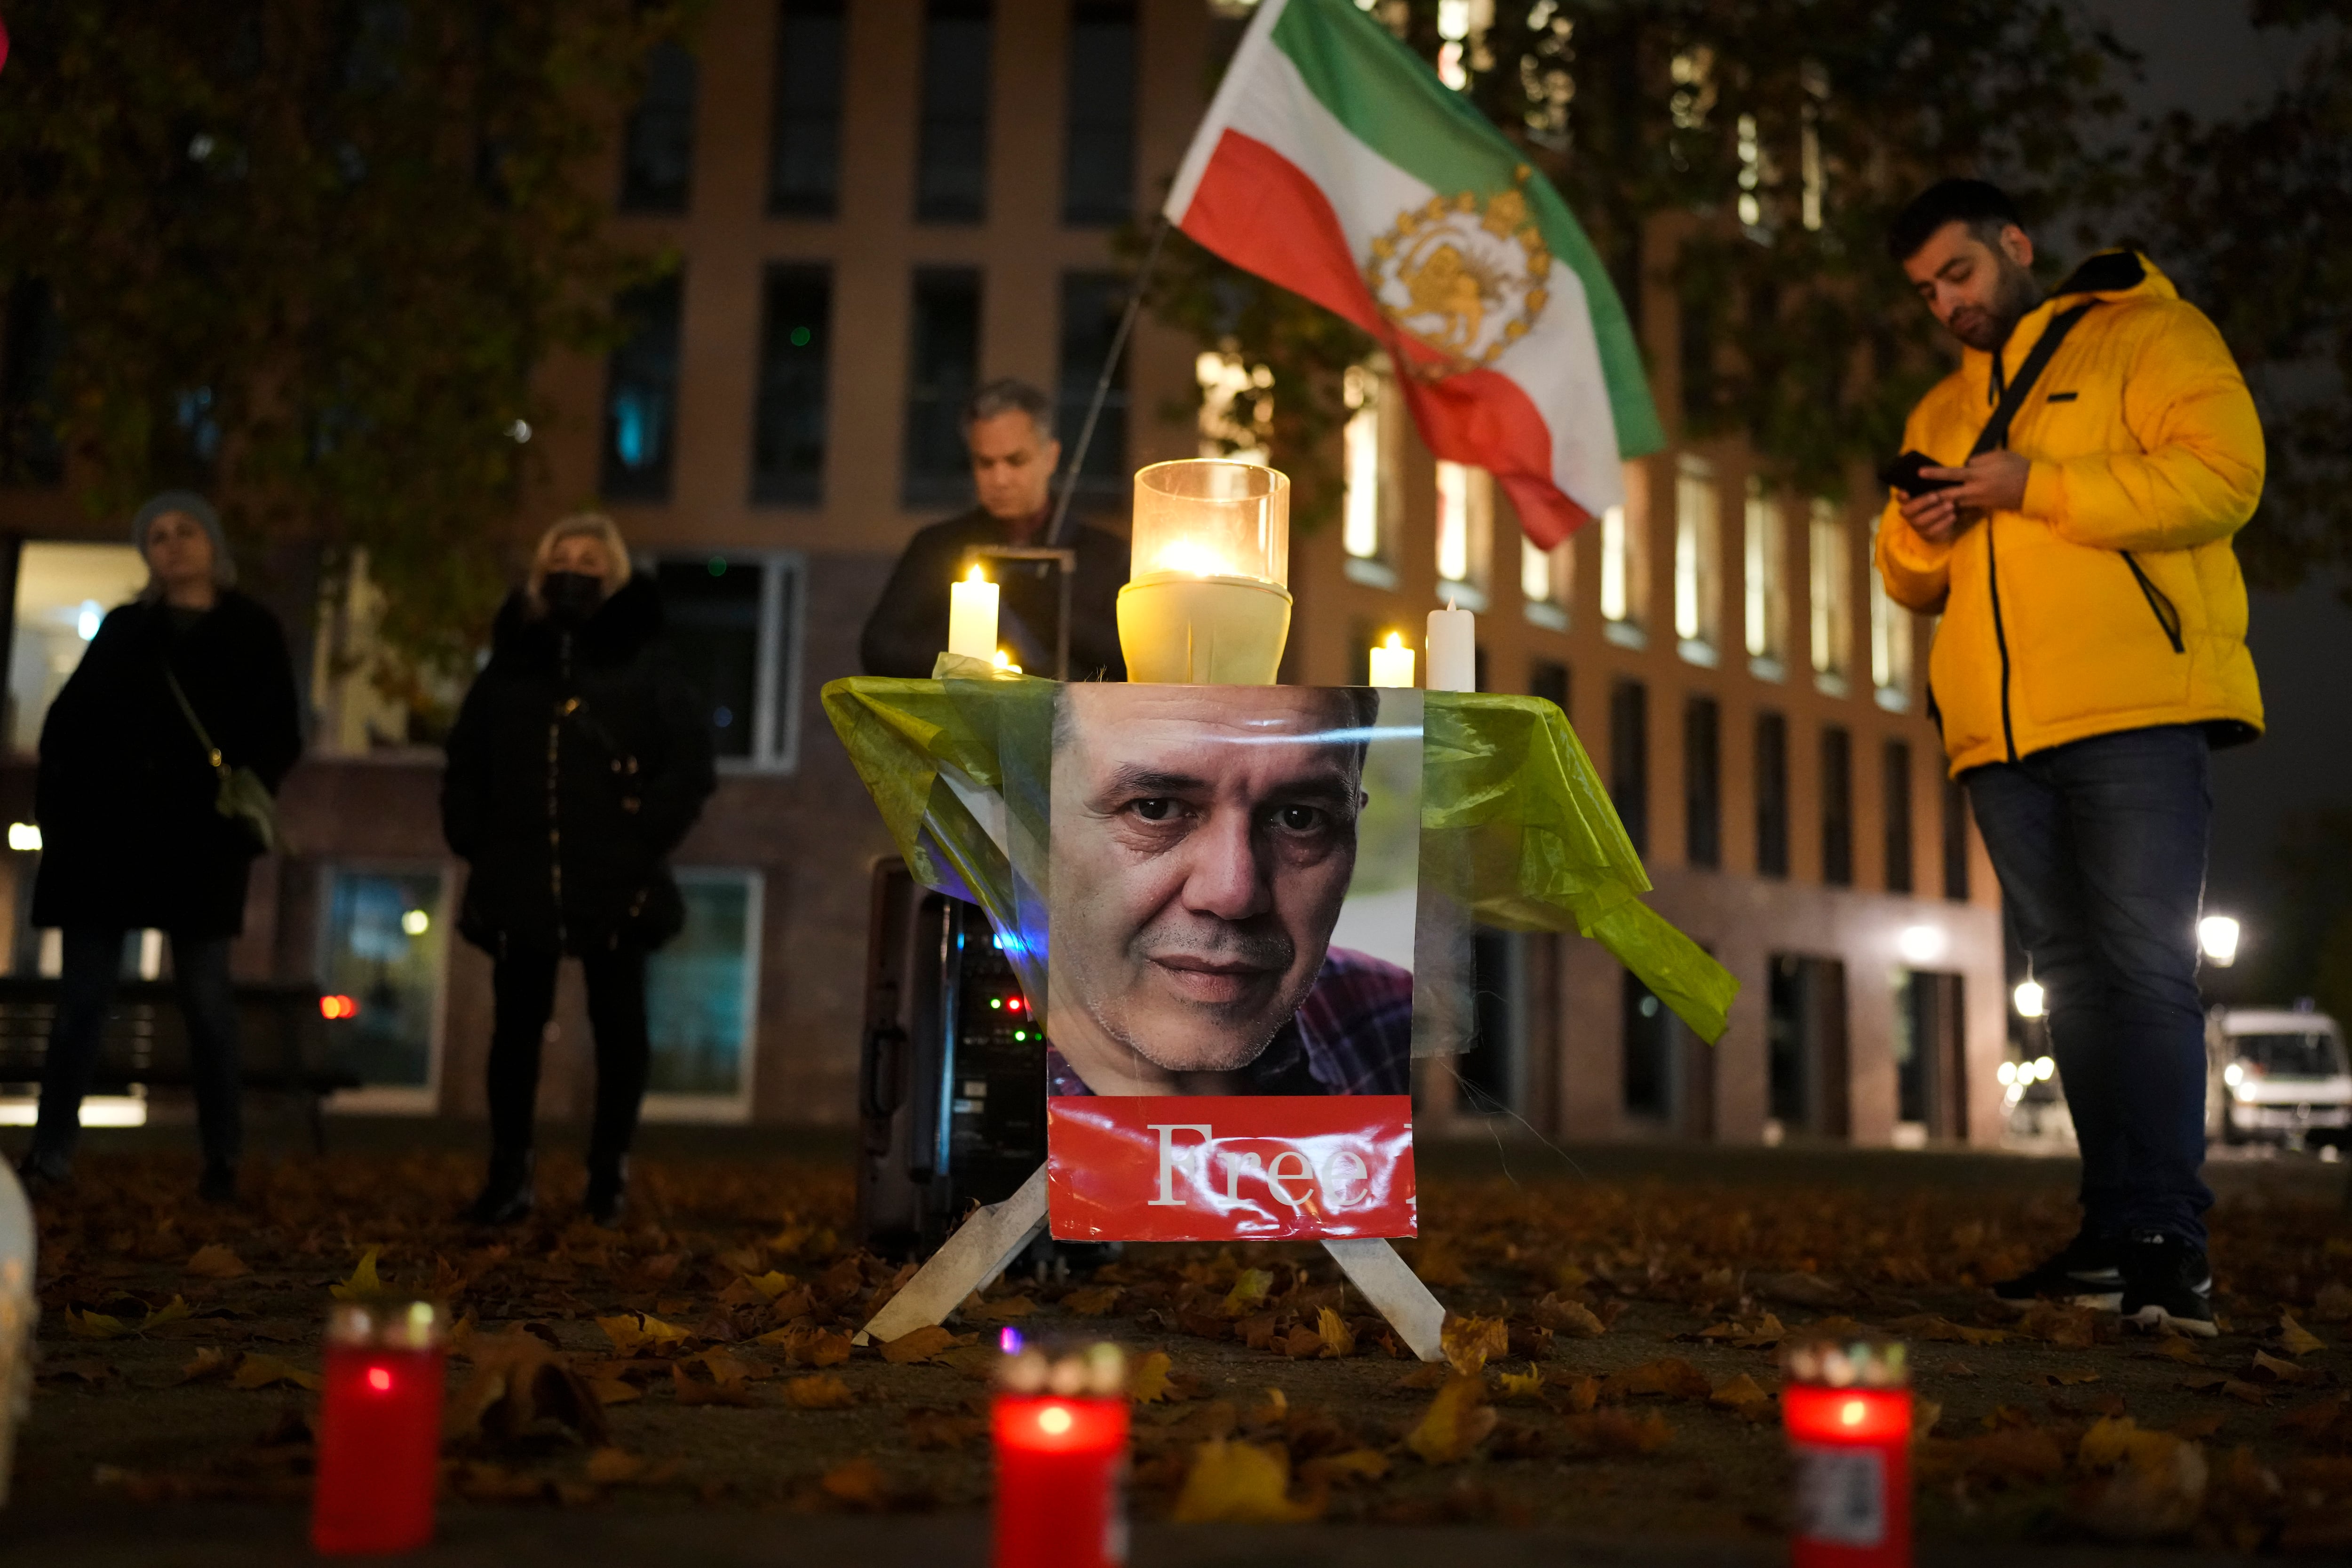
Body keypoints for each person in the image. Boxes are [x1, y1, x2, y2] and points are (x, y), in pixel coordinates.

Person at [1874, 179, 2265, 1336]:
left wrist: (2035, 485)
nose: (1945, 303)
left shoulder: (2149, 332)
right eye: (1924, 291)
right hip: (2000, 737)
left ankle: (2167, 1245)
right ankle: (2111, 1233)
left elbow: (2222, 478)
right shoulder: (1942, 410)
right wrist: (1923, 526)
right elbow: (1902, 574)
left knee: (2143, 970)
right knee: (2076, 985)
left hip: (2133, 706)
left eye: (1958, 274)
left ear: (2014, 246)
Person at [15, 491, 303, 1204]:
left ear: (213, 543)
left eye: (184, 532)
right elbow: (69, 726)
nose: (171, 546)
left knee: (207, 1001)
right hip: (105, 842)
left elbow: (279, 733)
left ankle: (221, 1157)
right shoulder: (124, 630)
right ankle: (51, 1152)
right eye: (158, 536)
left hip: (199, 844)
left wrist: (238, 801)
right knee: (83, 998)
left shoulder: (252, 630)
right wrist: (64, 813)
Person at [442, 514, 716, 1226]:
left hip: (615, 874)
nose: (574, 566)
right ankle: (509, 1173)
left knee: (620, 1027)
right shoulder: (513, 660)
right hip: (520, 869)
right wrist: (473, 834)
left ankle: (607, 1175)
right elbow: (469, 754)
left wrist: (645, 832)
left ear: (616, 573)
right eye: (561, 554)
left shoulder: (646, 662)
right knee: (515, 1028)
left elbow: (689, 759)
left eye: (591, 557)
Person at [1045, 682, 1410, 1097]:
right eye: (1154, 809)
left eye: (1300, 818)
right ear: (1033, 827)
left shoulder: (1390, 1016)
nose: (1233, 894)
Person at [860, 379, 1129, 680]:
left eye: (1016, 461)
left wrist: (1056, 617)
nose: (999, 479)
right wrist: (971, 652)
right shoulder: (936, 547)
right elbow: (880, 648)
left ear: (1051, 457)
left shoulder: (1107, 555)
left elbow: (1130, 661)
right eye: (985, 463)